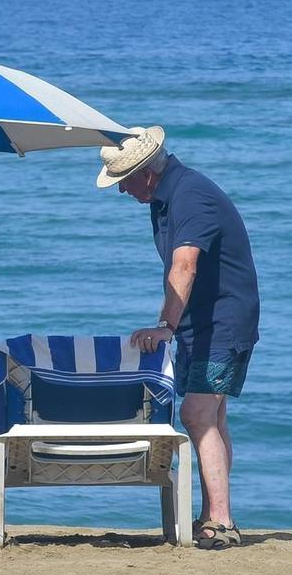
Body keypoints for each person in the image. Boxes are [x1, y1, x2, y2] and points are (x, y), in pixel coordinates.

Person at [98, 126, 259, 550]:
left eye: (124, 182)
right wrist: (172, 324)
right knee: (212, 417)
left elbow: (184, 266)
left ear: (146, 173)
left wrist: (164, 327)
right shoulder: (165, 198)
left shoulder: (190, 195)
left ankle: (222, 520)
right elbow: (180, 273)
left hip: (222, 320)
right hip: (200, 321)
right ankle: (213, 513)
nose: (122, 192)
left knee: (197, 414)